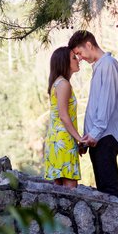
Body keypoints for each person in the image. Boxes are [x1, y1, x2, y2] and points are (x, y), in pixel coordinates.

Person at [68, 29, 118, 197]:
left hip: (104, 137)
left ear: (89, 45)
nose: (80, 58)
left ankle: (115, 223)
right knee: (104, 190)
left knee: (109, 192)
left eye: (79, 53)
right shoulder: (100, 67)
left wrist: (93, 134)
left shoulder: (107, 64)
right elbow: (97, 106)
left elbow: (106, 104)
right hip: (98, 138)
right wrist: (87, 139)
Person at [43, 46, 84, 188]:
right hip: (64, 143)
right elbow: (64, 116)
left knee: (59, 193)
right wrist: (80, 139)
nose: (78, 60)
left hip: (56, 141)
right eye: (74, 58)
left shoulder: (57, 83)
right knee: (70, 192)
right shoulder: (64, 84)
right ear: (64, 62)